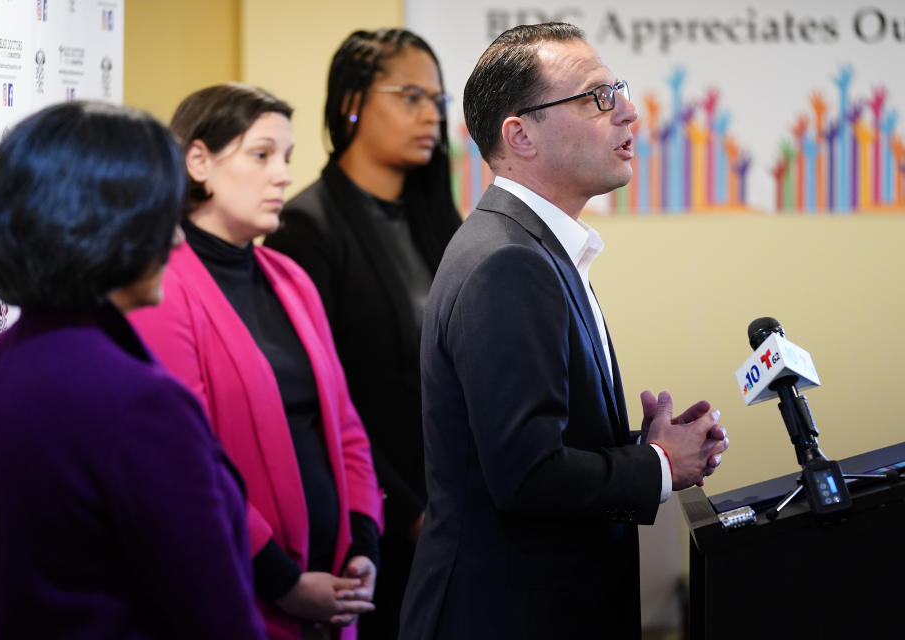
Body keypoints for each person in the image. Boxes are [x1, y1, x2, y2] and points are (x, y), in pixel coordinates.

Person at [399, 23, 730, 639]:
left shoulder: (531, 246)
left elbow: (530, 440)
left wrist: (640, 447)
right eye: (596, 97)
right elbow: (527, 474)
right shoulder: (509, 261)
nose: (628, 111)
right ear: (520, 135)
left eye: (619, 90)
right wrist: (657, 465)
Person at [0, 101, 266, 639]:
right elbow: (217, 616)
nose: (176, 239)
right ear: (105, 226)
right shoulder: (138, 402)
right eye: (160, 217)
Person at [128, 83, 383, 640]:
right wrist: (283, 581)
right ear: (198, 161)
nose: (284, 175)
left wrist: (364, 545)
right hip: (242, 598)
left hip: (333, 593)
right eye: (262, 154)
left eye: (288, 158)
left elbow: (345, 428)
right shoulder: (162, 286)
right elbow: (186, 463)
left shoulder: (290, 278)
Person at [264, 28, 461, 639]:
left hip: (461, 511)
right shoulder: (305, 229)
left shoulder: (441, 221)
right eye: (410, 96)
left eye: (438, 101)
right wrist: (407, 515)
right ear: (352, 102)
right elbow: (326, 402)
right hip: (380, 528)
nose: (430, 114)